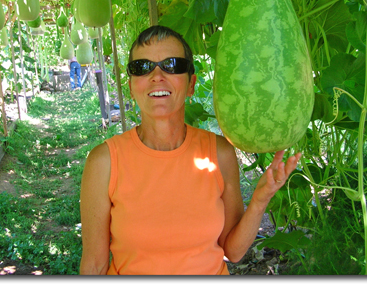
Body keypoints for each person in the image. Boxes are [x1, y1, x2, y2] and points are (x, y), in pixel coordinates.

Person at [79, 25, 301, 275]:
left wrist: (260, 200)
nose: (157, 75)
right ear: (131, 85)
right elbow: (94, 265)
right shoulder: (104, 162)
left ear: (192, 84)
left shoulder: (219, 153)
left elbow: (233, 251)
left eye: (172, 65)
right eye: (142, 67)